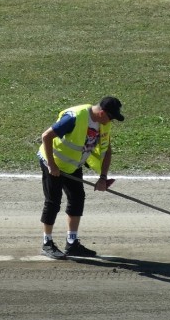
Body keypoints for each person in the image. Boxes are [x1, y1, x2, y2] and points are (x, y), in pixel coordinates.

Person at [37, 96, 124, 260]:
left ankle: (71, 243)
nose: (110, 122)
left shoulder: (103, 125)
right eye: (110, 117)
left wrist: (103, 178)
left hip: (73, 165)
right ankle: (47, 243)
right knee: (53, 201)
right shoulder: (75, 117)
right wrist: (52, 166)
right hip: (53, 162)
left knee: (77, 198)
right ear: (102, 113)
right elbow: (46, 136)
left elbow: (107, 151)